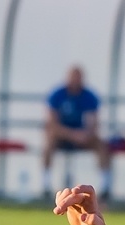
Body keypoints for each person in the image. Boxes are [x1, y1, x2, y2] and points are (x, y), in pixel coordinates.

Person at [45, 66, 112, 197]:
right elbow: (52, 124)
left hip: (83, 137)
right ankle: (46, 183)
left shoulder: (89, 96)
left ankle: (105, 185)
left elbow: (93, 123)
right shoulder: (57, 95)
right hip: (62, 135)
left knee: (101, 144)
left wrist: (84, 135)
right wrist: (71, 134)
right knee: (49, 141)